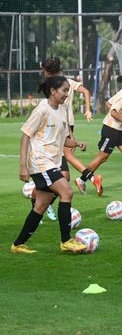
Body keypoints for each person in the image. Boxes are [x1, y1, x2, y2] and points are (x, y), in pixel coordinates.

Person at [12, 76, 87, 253]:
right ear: (53, 91)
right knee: (67, 191)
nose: (67, 94)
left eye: (68, 90)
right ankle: (66, 240)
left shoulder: (62, 110)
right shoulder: (42, 110)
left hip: (52, 161)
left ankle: (18, 244)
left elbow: (62, 140)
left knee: (40, 206)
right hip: (40, 162)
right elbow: (25, 136)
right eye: (64, 90)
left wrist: (76, 143)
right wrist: (23, 166)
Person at [40, 58, 100, 216]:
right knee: (59, 169)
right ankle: (89, 178)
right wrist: (87, 110)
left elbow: (63, 110)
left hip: (61, 126)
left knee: (63, 171)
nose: (65, 93)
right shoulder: (61, 83)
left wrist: (71, 135)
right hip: (57, 127)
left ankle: (44, 203)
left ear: (46, 71)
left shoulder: (57, 84)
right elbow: (86, 92)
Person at [76, 73, 122, 195]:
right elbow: (113, 113)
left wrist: (119, 116)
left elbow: (108, 103)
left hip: (120, 131)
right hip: (111, 130)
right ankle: (81, 180)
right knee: (102, 158)